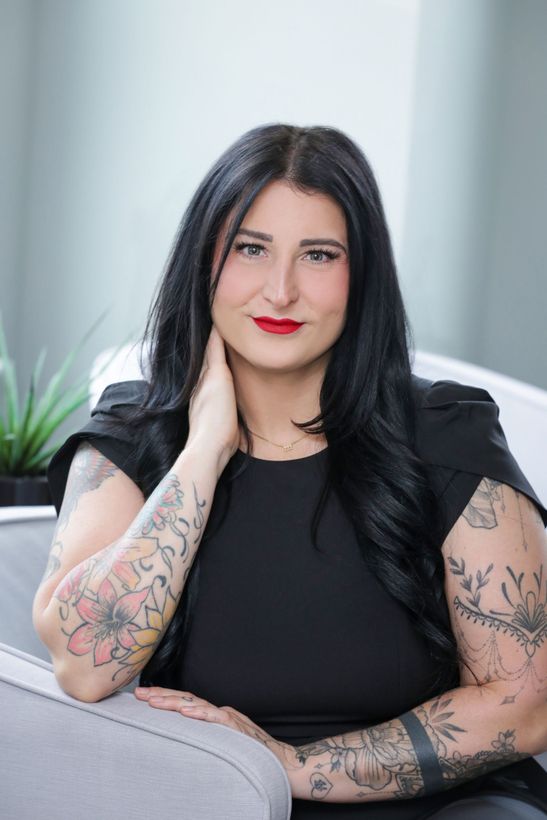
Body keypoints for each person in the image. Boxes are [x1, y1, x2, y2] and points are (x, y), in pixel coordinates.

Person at [38, 124, 547, 819]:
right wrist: (205, 449)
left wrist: (287, 766)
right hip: (216, 805)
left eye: (317, 254)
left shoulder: (444, 429)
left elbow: (523, 704)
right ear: (203, 263)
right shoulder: (135, 435)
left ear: (360, 273)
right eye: (251, 249)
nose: (279, 291)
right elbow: (86, 666)